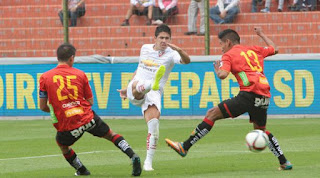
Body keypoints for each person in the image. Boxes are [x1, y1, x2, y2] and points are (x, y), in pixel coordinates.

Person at [165, 27, 293, 171]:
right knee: (260, 132)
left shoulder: (229, 55)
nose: (221, 48)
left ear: (228, 42)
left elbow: (223, 75)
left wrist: (218, 70)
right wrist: (261, 34)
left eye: (221, 44)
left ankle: (185, 147)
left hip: (248, 94)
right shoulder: (254, 50)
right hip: (264, 96)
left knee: (211, 114)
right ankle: (283, 161)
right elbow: (275, 49)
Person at [39, 43, 142, 176]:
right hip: (88, 118)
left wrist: (57, 111)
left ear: (57, 57)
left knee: (62, 145)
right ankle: (132, 155)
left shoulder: (45, 77)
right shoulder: (80, 74)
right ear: (71, 58)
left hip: (68, 125)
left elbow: (42, 106)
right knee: (110, 135)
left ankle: (82, 170)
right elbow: (90, 101)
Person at [117, 24, 191, 171]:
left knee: (154, 125)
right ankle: (150, 83)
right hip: (136, 87)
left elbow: (187, 61)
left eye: (167, 38)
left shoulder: (172, 53)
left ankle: (148, 163)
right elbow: (139, 68)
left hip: (154, 93)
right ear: (155, 38)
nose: (164, 40)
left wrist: (179, 49)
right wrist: (127, 88)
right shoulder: (145, 48)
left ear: (170, 39)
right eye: (161, 38)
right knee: (139, 84)